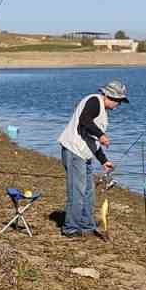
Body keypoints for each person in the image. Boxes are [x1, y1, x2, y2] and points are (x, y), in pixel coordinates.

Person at [57, 80, 128, 238]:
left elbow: (92, 140)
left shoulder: (101, 110)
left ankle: (86, 224)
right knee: (77, 191)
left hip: (85, 155)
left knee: (89, 192)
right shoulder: (94, 101)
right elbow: (84, 121)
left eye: (121, 101)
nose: (119, 105)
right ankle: (71, 228)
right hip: (74, 152)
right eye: (118, 101)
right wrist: (101, 134)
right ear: (110, 96)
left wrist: (104, 160)